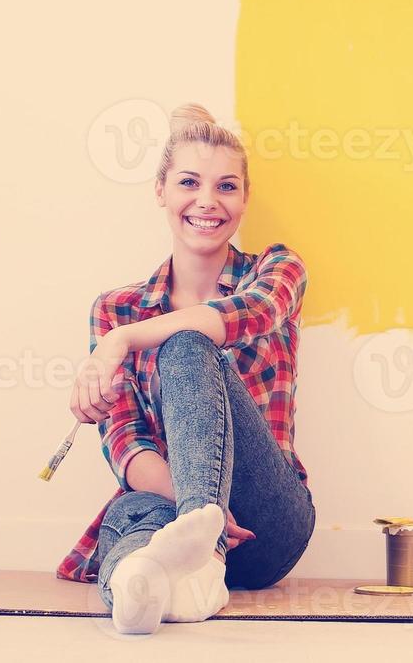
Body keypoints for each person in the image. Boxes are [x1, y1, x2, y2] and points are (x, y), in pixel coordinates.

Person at [55, 103, 315, 635]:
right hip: (169, 507)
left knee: (187, 342)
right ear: (161, 191)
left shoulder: (277, 269)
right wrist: (200, 508)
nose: (207, 201)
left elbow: (248, 315)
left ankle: (195, 546)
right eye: (189, 182)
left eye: (226, 187)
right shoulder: (114, 307)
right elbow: (126, 442)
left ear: (244, 199)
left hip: (267, 520)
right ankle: (155, 582)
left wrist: (121, 343)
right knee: (130, 522)